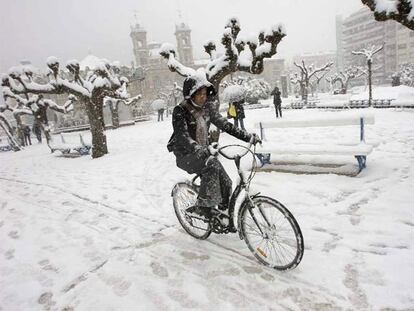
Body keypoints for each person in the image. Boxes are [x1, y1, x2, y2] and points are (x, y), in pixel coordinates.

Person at [167, 74, 261, 219]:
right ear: (190, 94)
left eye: (205, 93)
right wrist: (197, 148)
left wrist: (248, 137)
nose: (203, 97)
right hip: (185, 155)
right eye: (199, 94)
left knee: (226, 182)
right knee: (212, 165)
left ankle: (222, 214)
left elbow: (226, 125)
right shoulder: (180, 111)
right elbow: (182, 136)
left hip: (204, 153)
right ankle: (203, 207)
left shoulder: (207, 110)